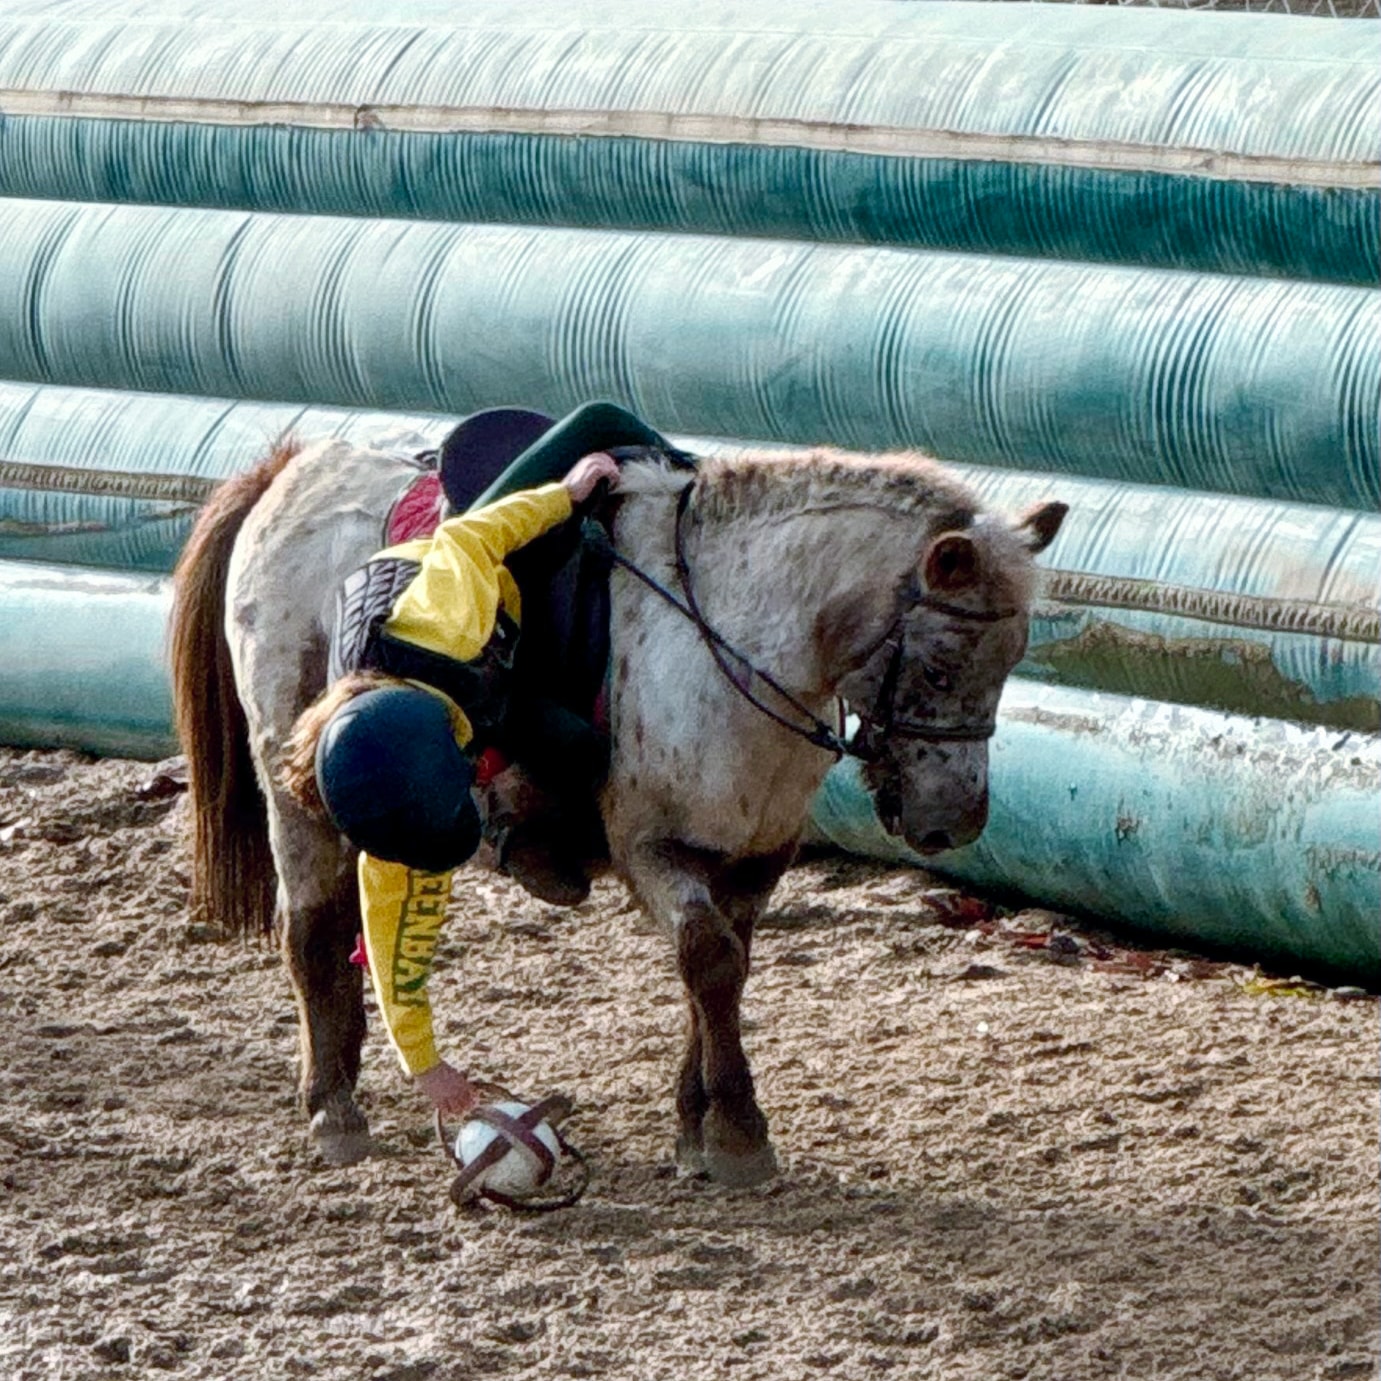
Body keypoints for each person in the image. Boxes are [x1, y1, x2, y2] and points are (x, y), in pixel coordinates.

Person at [287, 450, 620, 1116]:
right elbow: (393, 945)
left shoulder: (452, 615)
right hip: (450, 703)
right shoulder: (392, 808)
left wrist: (566, 492)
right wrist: (424, 1066)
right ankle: (510, 829)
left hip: (468, 625)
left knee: (580, 739)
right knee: (566, 741)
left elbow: (473, 535)